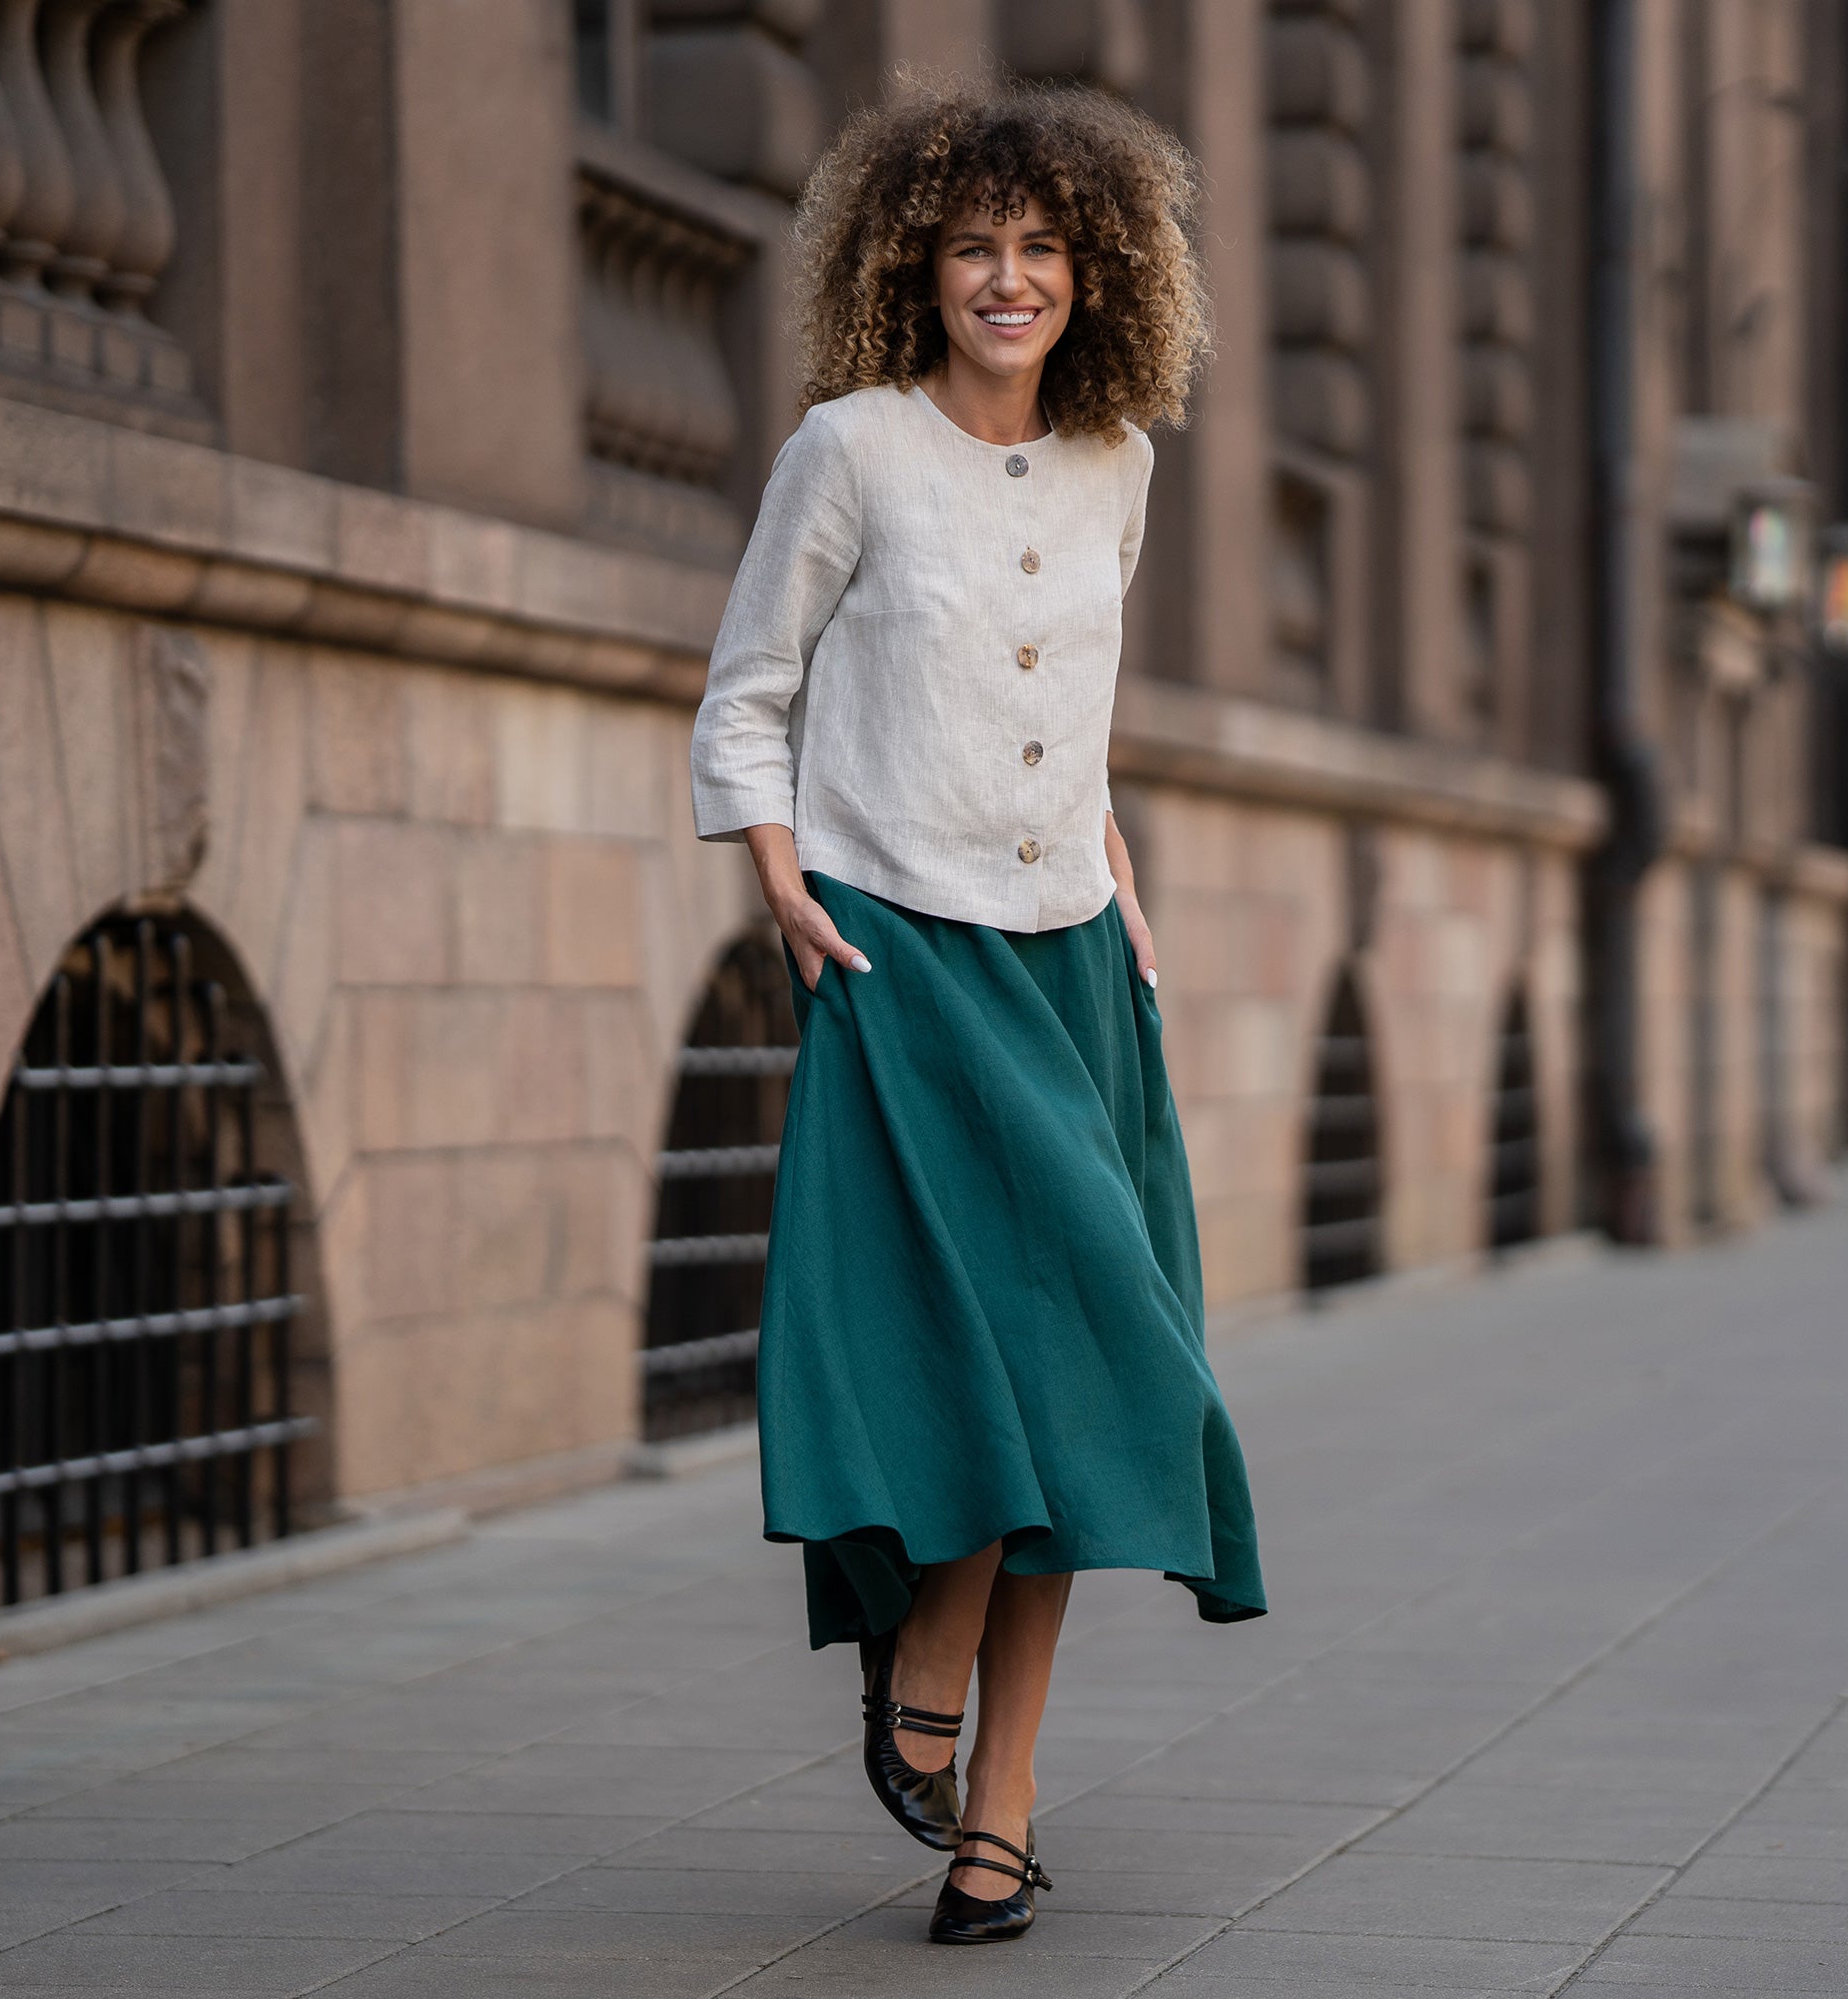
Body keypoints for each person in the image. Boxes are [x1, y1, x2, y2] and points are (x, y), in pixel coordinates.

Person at [689, 75, 1266, 1947]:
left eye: (1038, 249)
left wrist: (1115, 856)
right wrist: (777, 877)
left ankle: (994, 1806)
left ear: (1096, 273)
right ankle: (933, 1636)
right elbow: (750, 690)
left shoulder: (1123, 463)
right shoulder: (848, 450)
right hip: (900, 953)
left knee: (1100, 1365)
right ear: (914, 269)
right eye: (971, 249)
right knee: (971, 1361)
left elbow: (1063, 705)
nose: (1006, 280)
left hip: (1076, 953)